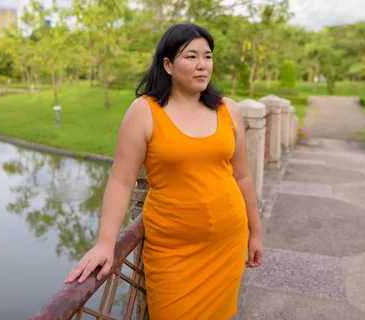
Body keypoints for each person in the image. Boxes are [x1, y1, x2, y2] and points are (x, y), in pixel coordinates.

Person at [65, 23, 264, 319]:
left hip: (227, 242)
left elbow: (242, 176)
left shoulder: (228, 109)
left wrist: (256, 232)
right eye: (191, 57)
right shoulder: (144, 112)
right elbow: (121, 181)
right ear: (168, 65)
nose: (202, 66)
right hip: (173, 251)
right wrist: (105, 244)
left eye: (208, 57)